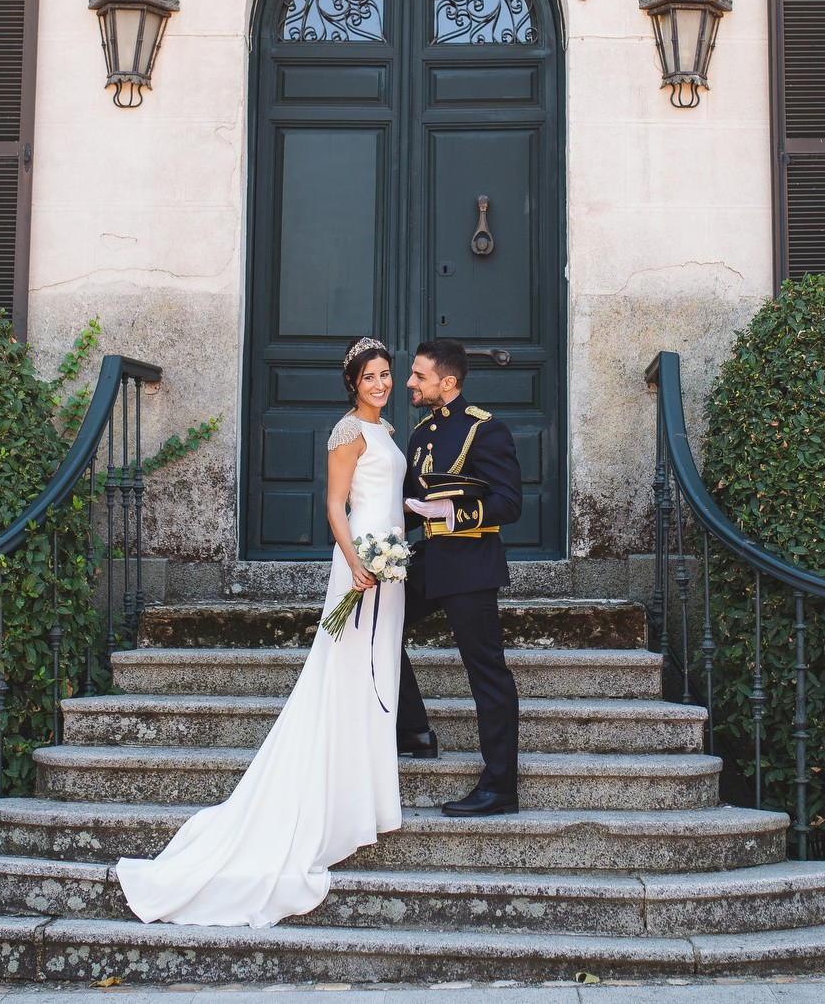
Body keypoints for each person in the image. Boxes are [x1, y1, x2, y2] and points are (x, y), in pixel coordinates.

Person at [116, 337, 406, 927]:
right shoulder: (347, 432)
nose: (380, 384)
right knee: (345, 673)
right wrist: (354, 563)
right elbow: (334, 505)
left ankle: (370, 797)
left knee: (379, 676)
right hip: (360, 564)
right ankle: (338, 803)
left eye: (385, 375)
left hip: (390, 564)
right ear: (352, 384)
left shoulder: (389, 430)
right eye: (370, 377)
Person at [395, 338, 524, 818]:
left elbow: (510, 504)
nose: (409, 382)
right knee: (378, 627)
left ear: (447, 383)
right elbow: (409, 505)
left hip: (471, 564)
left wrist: (451, 510)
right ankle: (414, 730)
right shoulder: (421, 435)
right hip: (430, 560)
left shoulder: (485, 431)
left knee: (486, 674)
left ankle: (500, 786)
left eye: (419, 376)